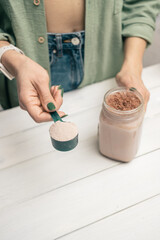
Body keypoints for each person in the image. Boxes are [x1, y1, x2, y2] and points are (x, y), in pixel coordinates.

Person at [0, 0, 159, 122]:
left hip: (107, 63)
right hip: (23, 63)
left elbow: (141, 4)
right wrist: (16, 61)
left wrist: (132, 65)